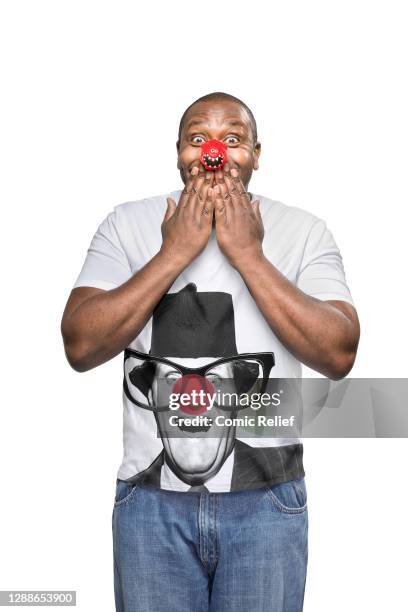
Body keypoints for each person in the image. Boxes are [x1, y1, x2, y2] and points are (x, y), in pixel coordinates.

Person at [61, 92, 360, 612]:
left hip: (268, 502)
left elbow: (339, 353)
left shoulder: (304, 230)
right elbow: (81, 344)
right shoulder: (127, 224)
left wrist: (249, 255)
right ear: (178, 152)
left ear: (256, 154)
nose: (214, 152)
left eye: (233, 139)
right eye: (198, 139)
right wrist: (174, 252)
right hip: (149, 508)